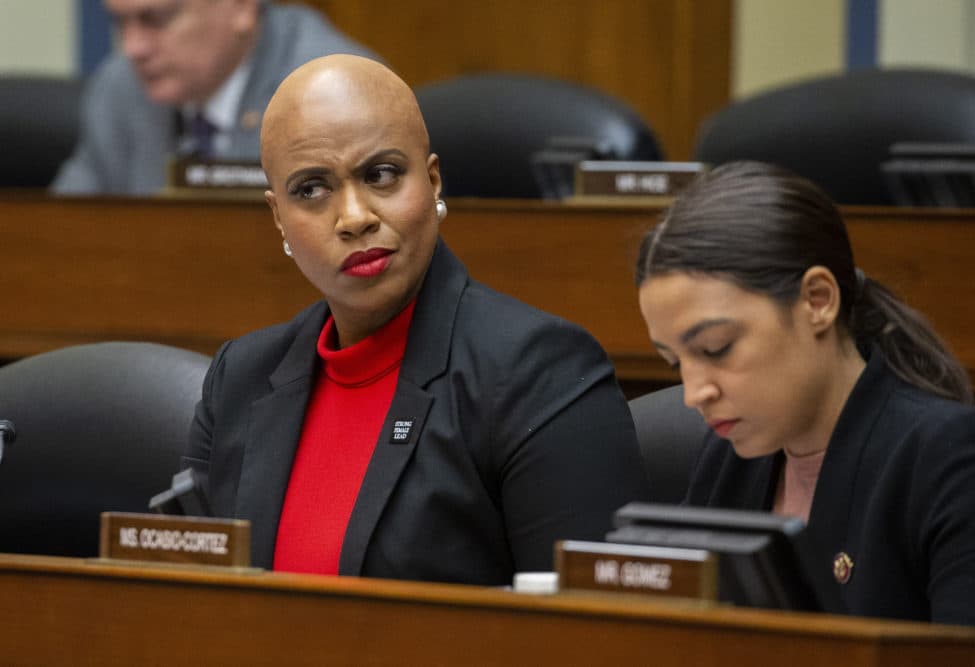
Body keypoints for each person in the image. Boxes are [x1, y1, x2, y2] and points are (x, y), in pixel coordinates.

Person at [182, 54, 646, 585]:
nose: (355, 217)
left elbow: (593, 634)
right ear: (278, 218)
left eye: (381, 175)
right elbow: (192, 602)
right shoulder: (239, 377)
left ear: (432, 181)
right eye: (311, 189)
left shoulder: (540, 373)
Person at [635, 161, 975, 653]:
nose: (693, 392)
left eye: (717, 348)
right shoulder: (726, 460)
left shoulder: (953, 460)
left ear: (818, 301)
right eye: (674, 361)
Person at [51, 0, 378, 195]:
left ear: (240, 6)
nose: (133, 47)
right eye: (121, 21)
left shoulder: (331, 92)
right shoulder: (120, 89)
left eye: (155, 19)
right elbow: (62, 228)